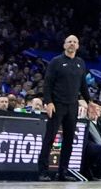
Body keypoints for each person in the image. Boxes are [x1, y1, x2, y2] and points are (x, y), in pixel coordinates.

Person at [36, 34, 89, 181]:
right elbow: (47, 83)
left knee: (69, 139)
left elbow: (83, 85)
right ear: (64, 45)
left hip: (72, 105)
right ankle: (43, 171)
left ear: (78, 46)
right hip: (57, 104)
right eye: (69, 42)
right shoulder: (56, 61)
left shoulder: (80, 63)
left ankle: (63, 171)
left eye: (75, 42)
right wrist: (49, 102)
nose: (72, 44)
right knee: (50, 138)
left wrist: (89, 101)